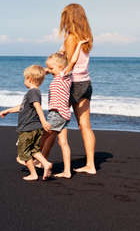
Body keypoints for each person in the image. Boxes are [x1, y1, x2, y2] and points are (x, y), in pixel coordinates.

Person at [42, 3, 97, 175]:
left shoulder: (71, 38)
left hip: (71, 85)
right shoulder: (86, 38)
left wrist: (50, 70)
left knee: (54, 123)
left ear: (69, 18)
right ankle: (90, 165)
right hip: (85, 83)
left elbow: (67, 64)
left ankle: (41, 159)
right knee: (85, 125)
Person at [0, 65, 52, 181]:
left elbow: (38, 107)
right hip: (34, 128)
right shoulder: (34, 93)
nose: (24, 81)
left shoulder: (32, 92)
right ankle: (46, 163)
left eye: (25, 78)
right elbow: (22, 107)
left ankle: (33, 174)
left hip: (28, 128)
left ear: (30, 79)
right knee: (34, 150)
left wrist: (44, 121)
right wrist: (8, 110)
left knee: (24, 151)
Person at [44, 40, 89, 179]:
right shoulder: (59, 75)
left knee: (42, 136)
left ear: (60, 67)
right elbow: (47, 69)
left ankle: (37, 160)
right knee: (63, 142)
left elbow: (73, 60)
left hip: (57, 114)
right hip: (64, 114)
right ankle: (67, 171)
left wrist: (79, 44)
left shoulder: (64, 75)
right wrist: (47, 68)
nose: (49, 71)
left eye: (51, 68)